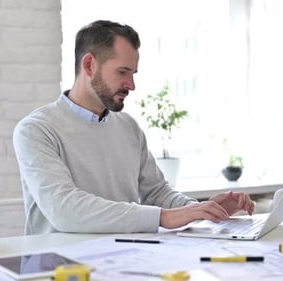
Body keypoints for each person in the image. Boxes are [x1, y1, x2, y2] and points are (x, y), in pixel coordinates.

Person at [13, 20, 255, 235]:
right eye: (122, 72)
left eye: (133, 73)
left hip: (124, 260)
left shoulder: (128, 127)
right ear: (89, 65)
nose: (131, 84)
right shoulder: (36, 130)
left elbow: (158, 193)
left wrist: (202, 210)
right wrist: (162, 217)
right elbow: (64, 209)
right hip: (59, 267)